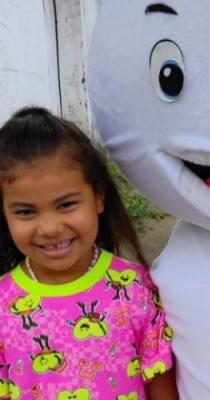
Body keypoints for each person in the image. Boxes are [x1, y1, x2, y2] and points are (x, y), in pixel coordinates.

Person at [0, 107, 177, 399]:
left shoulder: (134, 288)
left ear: (98, 197)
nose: (49, 227)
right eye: (26, 211)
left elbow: (161, 386)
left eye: (66, 204)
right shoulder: (4, 305)